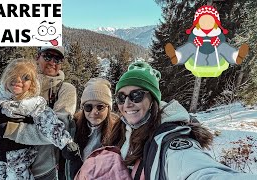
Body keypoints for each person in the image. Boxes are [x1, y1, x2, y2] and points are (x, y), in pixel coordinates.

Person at [105, 60, 257, 179]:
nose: (127, 104)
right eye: (121, 97)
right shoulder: (122, 130)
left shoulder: (170, 137)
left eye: (136, 95)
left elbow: (195, 168)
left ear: (152, 100)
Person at [0, 46, 77, 180]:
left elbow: (59, 127)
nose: (52, 62)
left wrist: (10, 129)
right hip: (8, 165)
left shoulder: (65, 89)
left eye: (57, 59)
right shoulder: (21, 83)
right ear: (37, 57)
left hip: (43, 169)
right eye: (47, 56)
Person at [64, 78, 119, 179]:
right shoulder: (72, 128)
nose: (94, 112)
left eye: (100, 107)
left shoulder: (118, 131)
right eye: (88, 107)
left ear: (108, 108)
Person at [165, 5, 249, 67]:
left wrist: (217, 41)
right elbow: (191, 40)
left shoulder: (217, 34)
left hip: (215, 60)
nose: (206, 24)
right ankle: (177, 56)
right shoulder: (196, 34)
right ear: (198, 23)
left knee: (223, 46)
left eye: (210, 21)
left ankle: (236, 56)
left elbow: (222, 39)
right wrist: (196, 42)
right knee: (190, 46)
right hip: (198, 60)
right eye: (203, 21)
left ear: (215, 23)